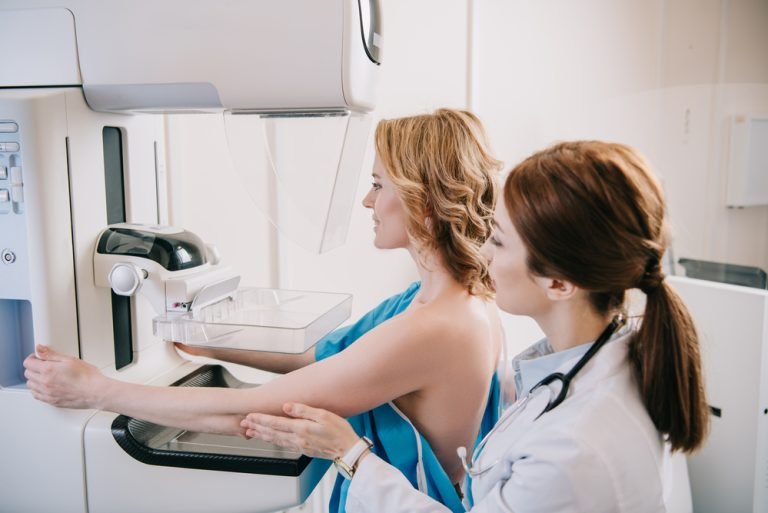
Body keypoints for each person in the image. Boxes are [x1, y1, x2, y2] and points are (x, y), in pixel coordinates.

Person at [23, 109, 505, 513]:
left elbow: (251, 410)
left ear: (423, 202)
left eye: (379, 185)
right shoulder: (447, 299)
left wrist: (96, 390)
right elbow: (326, 357)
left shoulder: (436, 327)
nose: (367, 200)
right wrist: (203, 340)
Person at [240, 141, 711, 513]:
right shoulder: (603, 360)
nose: (482, 252)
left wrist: (352, 455)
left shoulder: (573, 448)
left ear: (560, 283)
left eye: (500, 242)